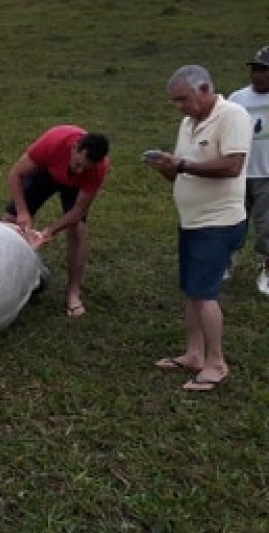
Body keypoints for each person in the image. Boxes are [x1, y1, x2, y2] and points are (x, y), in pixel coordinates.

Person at [143, 65, 251, 392]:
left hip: (217, 223)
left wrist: (183, 165)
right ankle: (194, 353)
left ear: (204, 89)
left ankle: (216, 363)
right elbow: (181, 171)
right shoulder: (188, 123)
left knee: (204, 295)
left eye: (183, 99)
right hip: (192, 221)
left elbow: (233, 165)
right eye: (175, 101)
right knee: (192, 291)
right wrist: (167, 167)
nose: (179, 107)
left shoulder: (233, 115)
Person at [2, 125, 110, 317]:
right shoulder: (54, 141)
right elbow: (15, 174)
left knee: (77, 230)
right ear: (74, 148)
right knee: (10, 221)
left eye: (85, 168)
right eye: (78, 164)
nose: (79, 171)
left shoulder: (97, 170)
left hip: (75, 188)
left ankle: (73, 292)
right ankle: (5, 282)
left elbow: (78, 211)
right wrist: (22, 211)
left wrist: (49, 231)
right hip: (46, 172)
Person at [228, 45, 269, 294]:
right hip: (239, 172)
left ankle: (267, 269)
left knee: (267, 227)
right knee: (232, 220)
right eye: (255, 69)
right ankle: (226, 262)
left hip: (267, 175)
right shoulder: (237, 98)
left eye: (264, 70)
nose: (258, 75)